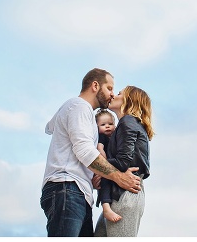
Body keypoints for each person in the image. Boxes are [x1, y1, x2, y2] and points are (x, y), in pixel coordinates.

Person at [40, 68, 142, 237]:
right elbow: (84, 151)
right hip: (67, 187)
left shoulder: (78, 111)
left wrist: (93, 177)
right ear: (95, 85)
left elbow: (51, 128)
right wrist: (119, 177)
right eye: (109, 88)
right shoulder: (79, 107)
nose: (112, 94)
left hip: (78, 192)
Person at [94, 85, 154, 237]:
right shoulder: (126, 125)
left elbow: (123, 162)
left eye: (119, 93)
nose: (114, 95)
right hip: (120, 193)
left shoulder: (127, 122)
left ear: (128, 100)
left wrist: (98, 165)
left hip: (126, 194)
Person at [95, 109, 122, 223]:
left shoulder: (115, 137)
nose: (107, 127)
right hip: (104, 166)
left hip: (111, 166)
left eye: (110, 124)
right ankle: (106, 208)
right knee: (104, 184)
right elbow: (100, 148)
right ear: (96, 127)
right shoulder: (101, 137)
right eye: (103, 124)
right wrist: (105, 162)